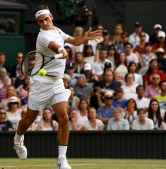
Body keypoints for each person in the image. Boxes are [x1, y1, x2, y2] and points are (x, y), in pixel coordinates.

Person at [13, 5, 102, 169]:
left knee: (64, 117)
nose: (44, 23)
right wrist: (61, 49)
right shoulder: (43, 36)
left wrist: (86, 37)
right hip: (41, 83)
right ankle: (18, 139)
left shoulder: (58, 30)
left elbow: (75, 41)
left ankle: (61, 160)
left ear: (51, 17)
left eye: (46, 19)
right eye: (40, 21)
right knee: (28, 120)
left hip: (57, 82)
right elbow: (55, 46)